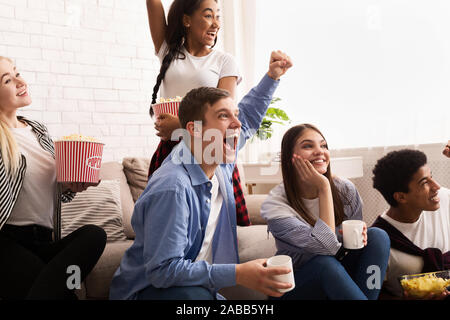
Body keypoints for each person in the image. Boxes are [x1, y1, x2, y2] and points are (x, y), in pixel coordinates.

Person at [109, 50, 293, 300]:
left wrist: (272, 77)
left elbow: (248, 117)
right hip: (148, 294)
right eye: (223, 116)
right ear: (194, 130)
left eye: (234, 115)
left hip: (191, 288)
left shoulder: (218, 156)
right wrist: (237, 273)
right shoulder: (173, 187)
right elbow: (163, 272)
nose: (237, 124)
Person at [0, 56, 107, 300]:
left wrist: (71, 185)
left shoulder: (38, 130)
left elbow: (54, 189)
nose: (19, 81)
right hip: (6, 242)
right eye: (8, 80)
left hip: (44, 241)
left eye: (17, 72)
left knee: (94, 235)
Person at [146, 0, 251, 227]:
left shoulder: (224, 61)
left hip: (209, 151)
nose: (216, 24)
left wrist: (180, 126)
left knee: (208, 223)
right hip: (171, 149)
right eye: (208, 15)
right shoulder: (168, 52)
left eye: (218, 16)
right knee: (166, 223)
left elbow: (224, 116)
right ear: (186, 20)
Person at [260, 124, 390, 300]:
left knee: (378, 236)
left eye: (323, 145)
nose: (319, 151)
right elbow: (326, 248)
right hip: (296, 286)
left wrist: (359, 237)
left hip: (336, 273)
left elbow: (350, 246)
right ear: (291, 158)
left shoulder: (345, 190)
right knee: (324, 263)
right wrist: (323, 187)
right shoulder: (276, 206)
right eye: (308, 146)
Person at [371, 147, 450, 299]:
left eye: (431, 177)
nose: (436, 187)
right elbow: (372, 293)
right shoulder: (378, 241)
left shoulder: (444, 200)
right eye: (424, 183)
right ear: (401, 197)